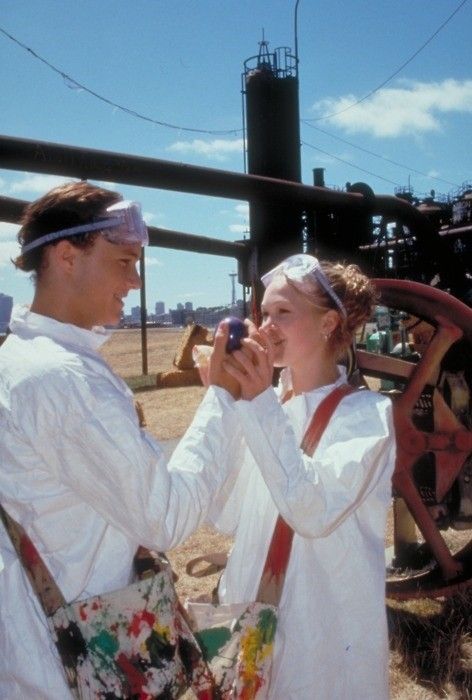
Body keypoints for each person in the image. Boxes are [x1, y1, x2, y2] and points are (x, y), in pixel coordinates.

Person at [0, 181, 240, 699]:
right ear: (67, 256)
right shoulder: (63, 379)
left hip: (45, 646)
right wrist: (221, 397)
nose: (134, 280)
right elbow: (166, 517)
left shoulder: (21, 360)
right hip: (78, 659)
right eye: (123, 261)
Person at [205, 254, 396, 699]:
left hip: (322, 638)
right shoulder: (266, 405)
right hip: (247, 619)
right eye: (264, 314)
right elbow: (226, 515)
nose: (266, 327)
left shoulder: (367, 416)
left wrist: (255, 404)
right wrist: (225, 404)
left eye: (284, 314)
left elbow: (311, 511)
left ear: (329, 323)